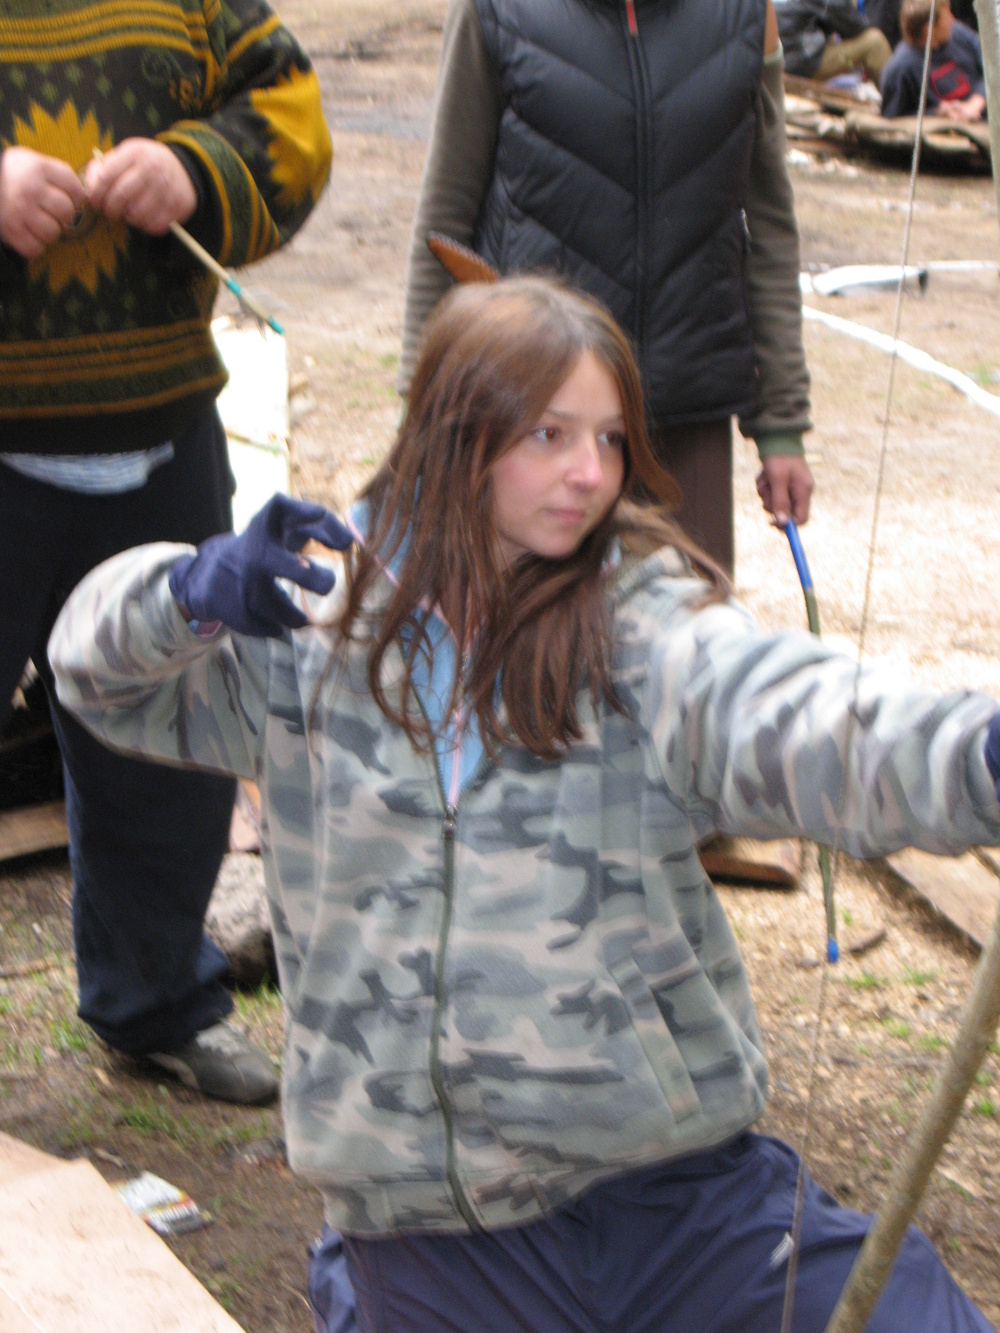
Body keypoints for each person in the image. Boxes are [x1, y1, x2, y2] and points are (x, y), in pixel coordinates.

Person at [49, 277, 998, 1333]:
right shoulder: (310, 633)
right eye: (548, 433)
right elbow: (95, 677)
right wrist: (179, 593)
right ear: (456, 434)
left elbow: (804, 718)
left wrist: (979, 758)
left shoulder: (637, 624)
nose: (590, 472)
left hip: (673, 1193)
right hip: (434, 1221)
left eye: (607, 437)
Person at [0, 0, 332, 1103]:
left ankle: (153, 1003)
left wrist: (197, 168)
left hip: (163, 437)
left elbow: (289, 114)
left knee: (168, 748)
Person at [399, 0, 814, 579]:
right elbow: (445, 224)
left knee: (684, 646)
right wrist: (423, 416)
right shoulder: (493, 10)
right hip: (533, 417)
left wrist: (781, 424)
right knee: (530, 647)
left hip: (686, 427)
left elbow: (769, 226)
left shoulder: (746, 12)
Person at [880, 0, 986, 120]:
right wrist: (938, 112)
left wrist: (977, 101)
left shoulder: (958, 33)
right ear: (929, 29)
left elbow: (994, 66)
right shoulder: (900, 68)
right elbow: (892, 118)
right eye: (947, 16)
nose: (952, 19)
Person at [775, 0, 893, 83]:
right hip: (801, 60)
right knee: (875, 42)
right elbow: (853, 26)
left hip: (779, 56)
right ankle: (897, 109)